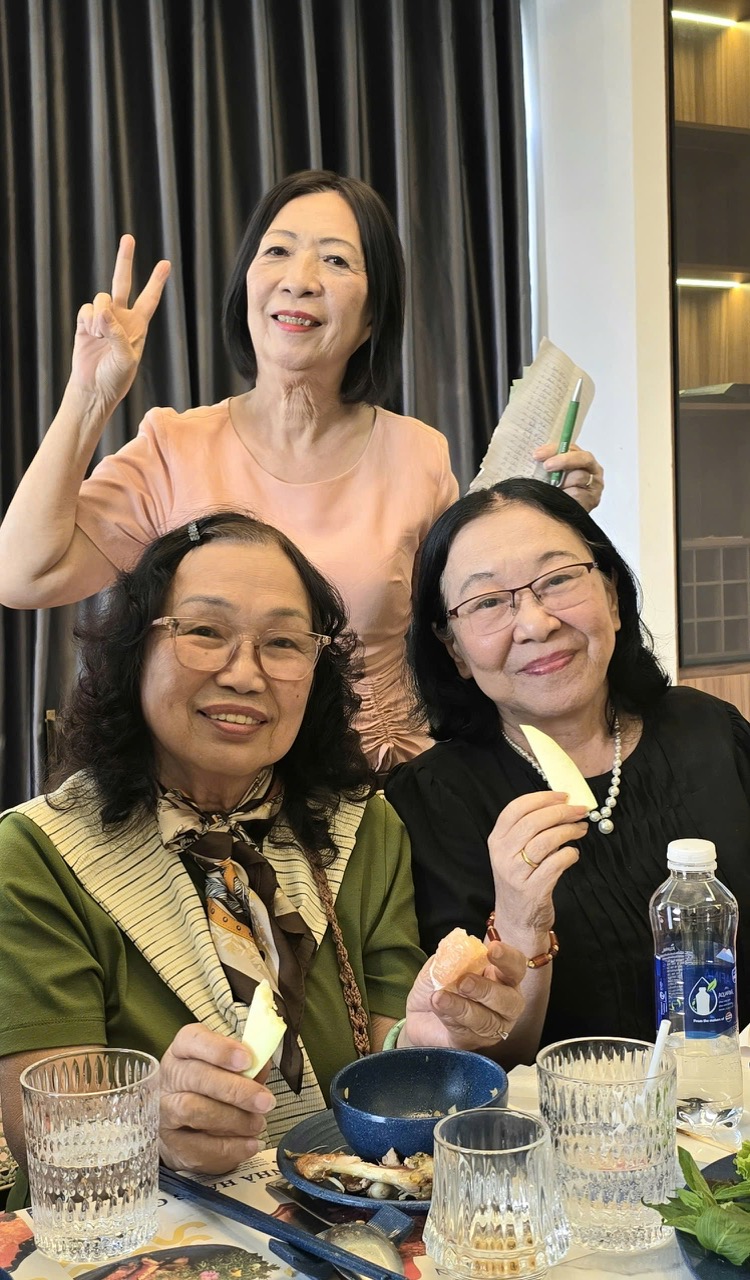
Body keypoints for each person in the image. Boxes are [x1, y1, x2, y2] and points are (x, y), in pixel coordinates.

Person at [0, 512, 526, 1207]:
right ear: (133, 651)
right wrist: (147, 1121)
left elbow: (387, 1049)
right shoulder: (38, 854)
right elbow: (44, 1127)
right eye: (204, 631)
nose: (245, 674)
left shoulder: (364, 827)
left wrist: (432, 1035)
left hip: (342, 1220)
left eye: (282, 642)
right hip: (139, 1232)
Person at [0, 170, 604, 769]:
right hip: (210, 781)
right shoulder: (172, 447)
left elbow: (472, 620)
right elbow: (23, 576)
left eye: (336, 261)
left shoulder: (417, 454)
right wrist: (89, 395)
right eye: (278, 252)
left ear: (372, 316)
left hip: (379, 785)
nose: (300, 280)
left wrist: (551, 517)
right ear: (247, 285)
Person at [385, 479, 750, 1065]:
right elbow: (482, 1062)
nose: (535, 624)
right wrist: (519, 919)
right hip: (566, 1118)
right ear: (453, 649)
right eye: (488, 602)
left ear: (611, 595)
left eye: (557, 580)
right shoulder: (429, 801)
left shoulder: (710, 729)